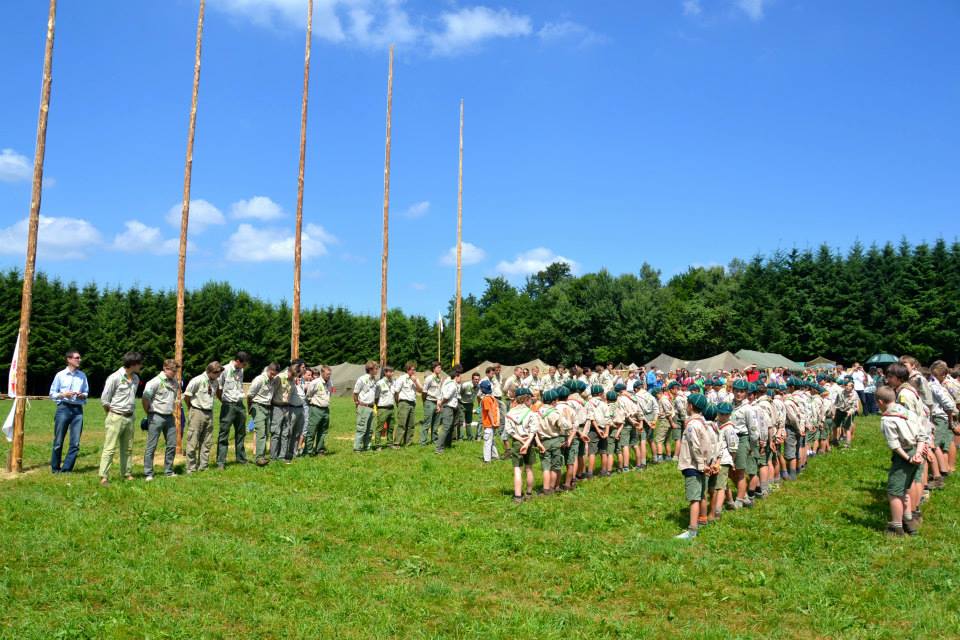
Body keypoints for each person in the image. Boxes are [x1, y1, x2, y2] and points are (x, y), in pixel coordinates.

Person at [876, 386, 924, 536]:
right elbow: (922, 435)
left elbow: (895, 445)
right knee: (905, 489)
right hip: (916, 451)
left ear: (880, 402)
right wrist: (918, 454)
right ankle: (908, 520)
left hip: (904, 456)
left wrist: (908, 458)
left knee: (894, 492)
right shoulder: (908, 413)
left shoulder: (887, 419)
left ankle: (896, 526)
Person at [675, 393, 717, 539]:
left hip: (693, 465)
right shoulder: (704, 423)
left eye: (687, 404)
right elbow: (710, 444)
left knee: (694, 498)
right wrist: (709, 462)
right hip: (703, 464)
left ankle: (692, 530)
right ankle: (702, 520)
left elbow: (695, 446)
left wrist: (700, 464)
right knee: (701, 494)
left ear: (691, 406)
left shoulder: (692, 425)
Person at [98, 351, 143, 485]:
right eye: (139, 363)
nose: (141, 366)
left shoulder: (136, 379)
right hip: (116, 416)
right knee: (110, 448)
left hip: (130, 417)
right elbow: (105, 399)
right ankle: (104, 476)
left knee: (128, 448)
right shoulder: (114, 377)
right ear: (133, 364)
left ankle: (126, 473)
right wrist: (112, 414)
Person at [49, 349, 89, 474]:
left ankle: (67, 469)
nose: (79, 360)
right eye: (77, 358)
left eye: (79, 358)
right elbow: (52, 393)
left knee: (75, 443)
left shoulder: (82, 376)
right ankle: (55, 469)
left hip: (78, 410)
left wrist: (82, 395)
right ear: (69, 359)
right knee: (58, 441)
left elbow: (86, 392)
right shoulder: (60, 375)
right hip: (63, 408)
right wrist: (63, 394)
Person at [141, 359, 180, 480]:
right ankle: (148, 473)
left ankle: (168, 471)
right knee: (151, 446)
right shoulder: (154, 382)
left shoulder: (175, 382)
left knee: (172, 445)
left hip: (169, 417)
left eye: (176, 371)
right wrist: (149, 412)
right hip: (156, 416)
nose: (175, 373)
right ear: (165, 368)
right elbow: (145, 398)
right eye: (173, 370)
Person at [504, 388, 543, 502]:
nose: (531, 401)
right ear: (527, 399)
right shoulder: (531, 413)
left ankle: (517, 496)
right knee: (529, 468)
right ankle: (529, 493)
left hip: (517, 443)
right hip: (529, 442)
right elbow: (533, 431)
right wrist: (527, 442)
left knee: (517, 469)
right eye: (530, 399)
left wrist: (520, 439)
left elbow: (509, 431)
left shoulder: (510, 413)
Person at [183, 361, 223, 474]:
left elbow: (217, 393)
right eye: (217, 374)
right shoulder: (197, 380)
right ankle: (191, 468)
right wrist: (191, 408)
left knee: (207, 441)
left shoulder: (215, 381)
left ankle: (203, 466)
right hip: (197, 411)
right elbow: (187, 396)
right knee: (193, 440)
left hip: (209, 412)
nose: (218, 376)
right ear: (210, 372)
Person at [216, 351, 250, 468]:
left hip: (240, 404)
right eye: (244, 364)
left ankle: (241, 459)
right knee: (224, 433)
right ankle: (221, 462)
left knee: (241, 433)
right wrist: (224, 401)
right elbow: (218, 389)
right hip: (228, 405)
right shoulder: (224, 370)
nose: (245, 366)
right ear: (238, 361)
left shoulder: (241, 370)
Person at [270, 359, 304, 463]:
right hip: (277, 407)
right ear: (289, 371)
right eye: (292, 375)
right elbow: (272, 393)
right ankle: (273, 457)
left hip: (287, 408)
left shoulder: (292, 379)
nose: (293, 378)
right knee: (276, 433)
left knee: (285, 433)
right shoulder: (279, 378)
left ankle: (282, 457)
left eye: (295, 376)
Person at [537, 389, 570, 494]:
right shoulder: (554, 413)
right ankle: (553, 487)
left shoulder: (537, 412)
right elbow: (566, 426)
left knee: (546, 467)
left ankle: (545, 488)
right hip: (555, 441)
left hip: (543, 442)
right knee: (555, 466)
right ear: (553, 401)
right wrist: (567, 417)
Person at [247, 363, 280, 466]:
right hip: (258, 406)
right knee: (260, 432)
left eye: (275, 374)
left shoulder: (272, 380)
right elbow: (249, 395)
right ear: (268, 370)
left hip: (267, 407)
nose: (273, 376)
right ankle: (259, 458)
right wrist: (249, 408)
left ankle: (262, 455)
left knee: (265, 432)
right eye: (272, 374)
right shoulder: (259, 379)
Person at [304, 365, 332, 456]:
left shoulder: (330, 382)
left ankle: (320, 450)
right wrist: (313, 403)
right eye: (327, 374)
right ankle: (308, 451)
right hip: (316, 408)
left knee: (323, 431)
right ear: (322, 373)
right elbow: (308, 395)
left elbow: (329, 393)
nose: (329, 376)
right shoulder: (315, 382)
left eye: (330, 374)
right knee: (312, 431)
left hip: (326, 409)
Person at [392, 362, 421, 447]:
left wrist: (415, 381)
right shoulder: (402, 378)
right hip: (404, 402)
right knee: (402, 424)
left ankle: (408, 443)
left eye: (415, 370)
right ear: (408, 370)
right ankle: (396, 443)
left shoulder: (415, 379)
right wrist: (398, 403)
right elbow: (396, 392)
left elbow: (420, 390)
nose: (414, 371)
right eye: (412, 370)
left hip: (412, 403)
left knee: (411, 425)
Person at [353, 361, 379, 452]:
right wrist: (357, 403)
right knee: (361, 428)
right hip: (363, 406)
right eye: (376, 368)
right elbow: (355, 393)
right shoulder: (362, 379)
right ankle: (357, 448)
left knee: (370, 429)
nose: (377, 370)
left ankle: (367, 446)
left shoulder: (374, 380)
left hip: (371, 407)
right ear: (370, 369)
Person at [436, 365, 462, 453]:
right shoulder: (452, 385)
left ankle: (447, 444)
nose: (461, 377)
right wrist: (440, 403)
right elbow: (446, 397)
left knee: (451, 427)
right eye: (459, 375)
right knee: (446, 427)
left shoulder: (448, 382)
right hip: (448, 407)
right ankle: (439, 448)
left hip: (453, 406)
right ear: (456, 376)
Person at [420, 362, 444, 446]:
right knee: (427, 422)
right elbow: (424, 391)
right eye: (438, 367)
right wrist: (425, 401)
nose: (440, 369)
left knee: (436, 423)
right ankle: (423, 441)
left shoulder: (440, 378)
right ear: (434, 369)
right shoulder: (429, 378)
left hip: (437, 402)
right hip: (429, 401)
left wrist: (439, 403)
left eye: (440, 367)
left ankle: (435, 440)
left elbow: (440, 391)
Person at [478, 379, 501, 463]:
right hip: (494, 423)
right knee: (491, 441)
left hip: (489, 423)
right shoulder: (492, 398)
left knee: (487, 441)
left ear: (483, 389)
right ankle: (495, 456)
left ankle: (487, 460)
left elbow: (489, 412)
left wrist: (492, 422)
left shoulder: (486, 399)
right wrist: (496, 422)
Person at [374, 365, 395, 450]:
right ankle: (378, 445)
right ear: (385, 373)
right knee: (380, 427)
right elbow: (376, 397)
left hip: (391, 408)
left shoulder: (393, 382)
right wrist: (378, 406)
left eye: (392, 371)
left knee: (391, 427)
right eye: (390, 372)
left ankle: (390, 443)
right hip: (382, 408)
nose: (392, 373)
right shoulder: (379, 383)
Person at [459, 372, 480, 441]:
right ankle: (460, 438)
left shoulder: (478, 387)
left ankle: (470, 438)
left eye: (478, 379)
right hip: (462, 404)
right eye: (475, 379)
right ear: (472, 379)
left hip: (470, 404)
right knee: (461, 422)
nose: (477, 381)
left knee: (469, 422)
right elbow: (459, 393)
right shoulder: (465, 385)